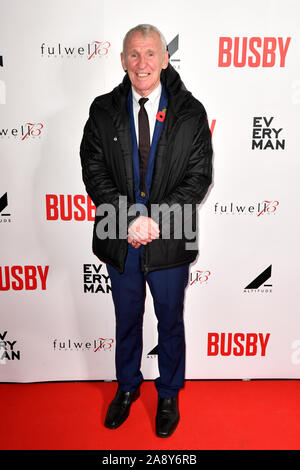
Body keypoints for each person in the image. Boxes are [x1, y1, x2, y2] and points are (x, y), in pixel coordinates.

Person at [80, 24, 212, 438]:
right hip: (120, 238)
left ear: (165, 58)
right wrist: (128, 220)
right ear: (122, 60)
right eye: (133, 55)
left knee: (170, 321)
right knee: (126, 320)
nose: (142, 63)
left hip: (171, 238)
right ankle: (126, 387)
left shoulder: (191, 112)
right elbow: (94, 170)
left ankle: (169, 393)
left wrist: (155, 219)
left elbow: (198, 177)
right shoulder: (102, 110)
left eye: (150, 53)